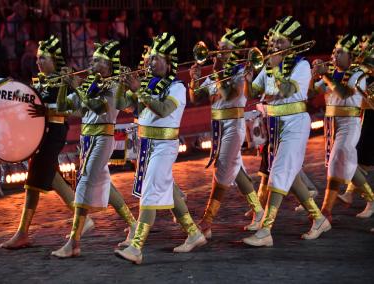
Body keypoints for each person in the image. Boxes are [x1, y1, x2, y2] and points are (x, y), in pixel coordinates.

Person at [114, 33, 207, 264]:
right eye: (150, 58)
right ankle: (194, 233)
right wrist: (122, 85)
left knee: (151, 191)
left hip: (165, 146)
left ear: (168, 62)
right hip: (146, 145)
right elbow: (121, 105)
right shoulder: (146, 83)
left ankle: (136, 247)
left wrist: (139, 90)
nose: (150, 62)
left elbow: (163, 110)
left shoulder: (177, 87)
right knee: (167, 189)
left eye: (156, 58)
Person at [242, 16, 331, 247]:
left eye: (280, 42)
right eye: (273, 42)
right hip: (275, 125)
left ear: (291, 43)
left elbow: (289, 90)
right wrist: (248, 79)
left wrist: (276, 70)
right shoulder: (271, 64)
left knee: (279, 173)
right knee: (289, 178)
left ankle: (266, 230)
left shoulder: (301, 65)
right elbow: (254, 92)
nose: (274, 46)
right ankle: (319, 219)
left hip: (295, 124)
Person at [0, 35, 94, 250]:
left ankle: (25, 232)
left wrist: (48, 110)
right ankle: (25, 232)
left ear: (55, 60)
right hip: (39, 133)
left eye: (44, 58)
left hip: (55, 132)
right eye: (38, 58)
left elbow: (75, 110)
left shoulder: (65, 80)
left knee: (39, 177)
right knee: (41, 179)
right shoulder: (40, 81)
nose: (39, 62)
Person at [51, 40, 137, 258]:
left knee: (85, 182)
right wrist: (63, 84)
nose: (92, 62)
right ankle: (133, 224)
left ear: (109, 66)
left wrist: (77, 86)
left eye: (98, 60)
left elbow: (98, 108)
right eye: (93, 58)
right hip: (87, 139)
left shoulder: (115, 85)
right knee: (104, 185)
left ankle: (74, 241)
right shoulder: (91, 84)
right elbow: (64, 108)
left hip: (102, 138)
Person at [189, 28, 264, 237]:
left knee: (222, 170)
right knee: (235, 169)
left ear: (236, 51)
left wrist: (219, 70)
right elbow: (196, 97)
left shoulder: (242, 70)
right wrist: (194, 80)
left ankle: (207, 220)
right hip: (218, 128)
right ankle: (259, 212)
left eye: (224, 48)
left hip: (234, 125)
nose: (219, 50)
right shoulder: (217, 71)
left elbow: (230, 94)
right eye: (219, 47)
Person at [312, 34, 373, 222]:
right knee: (336, 165)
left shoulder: (358, 74)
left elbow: (344, 93)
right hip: (332, 125)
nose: (334, 55)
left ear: (351, 56)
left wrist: (325, 75)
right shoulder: (332, 72)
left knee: (341, 160)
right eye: (334, 51)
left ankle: (369, 199)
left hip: (349, 124)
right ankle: (326, 210)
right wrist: (315, 75)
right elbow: (312, 91)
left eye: (340, 52)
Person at [337, 34, 374, 218]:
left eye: (366, 43)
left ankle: (368, 200)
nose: (362, 45)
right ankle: (352, 194)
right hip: (369, 114)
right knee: (362, 159)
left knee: (362, 159)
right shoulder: (364, 63)